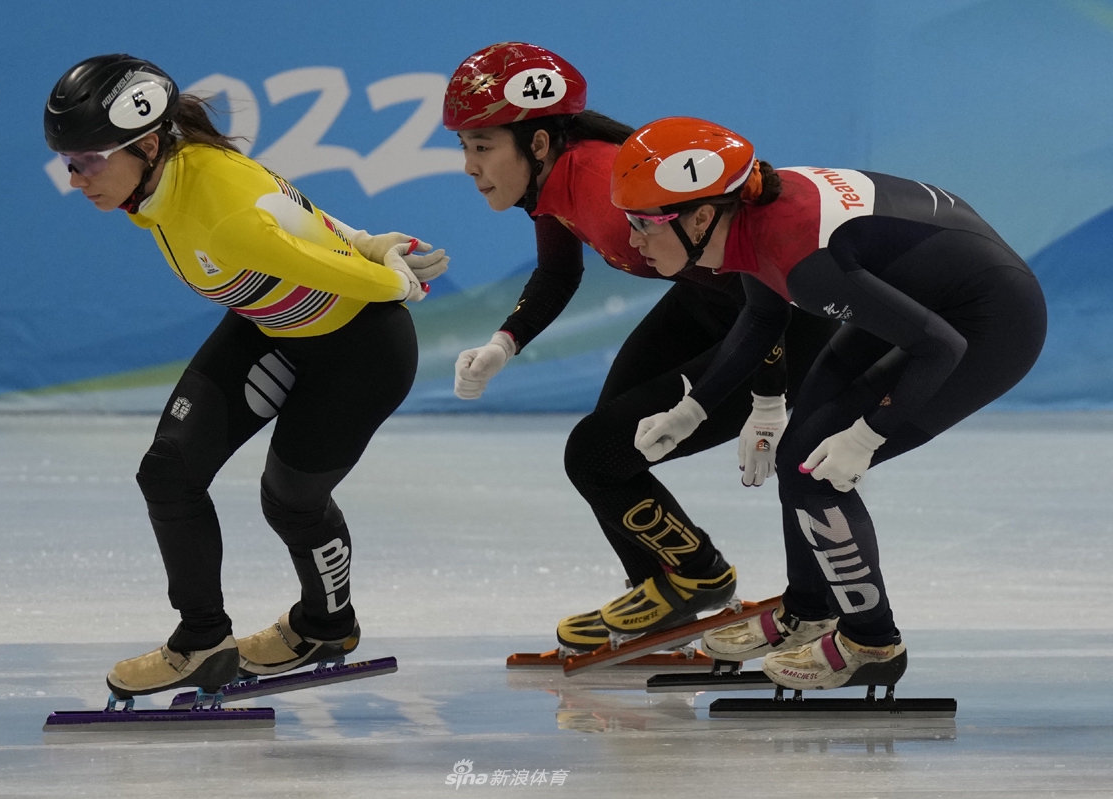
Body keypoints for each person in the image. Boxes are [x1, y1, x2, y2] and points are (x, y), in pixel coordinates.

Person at [43, 54, 447, 700]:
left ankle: (327, 625)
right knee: (168, 473)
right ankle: (203, 640)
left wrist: (388, 274)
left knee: (290, 500)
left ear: (146, 145)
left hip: (360, 352)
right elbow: (297, 215)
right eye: (68, 161)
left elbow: (320, 263)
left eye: (88, 160)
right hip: (272, 326)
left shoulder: (216, 204)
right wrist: (367, 238)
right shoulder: (172, 175)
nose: (74, 178)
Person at [613, 116, 1046, 689]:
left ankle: (873, 642)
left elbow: (940, 347)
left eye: (644, 223)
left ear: (699, 217)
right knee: (801, 453)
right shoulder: (747, 219)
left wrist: (867, 436)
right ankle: (809, 610)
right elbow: (762, 315)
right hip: (922, 295)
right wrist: (692, 410)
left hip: (989, 326)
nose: (633, 240)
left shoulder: (801, 258)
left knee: (816, 473)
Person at [443, 43, 839, 653]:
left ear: (538, 143)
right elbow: (557, 273)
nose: (469, 167)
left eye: (482, 146)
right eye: (465, 147)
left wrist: (768, 397)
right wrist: (504, 343)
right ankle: (660, 589)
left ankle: (698, 576)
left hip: (782, 322)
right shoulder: (554, 178)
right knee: (606, 447)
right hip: (716, 301)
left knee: (596, 453)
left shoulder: (603, 188)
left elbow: (764, 293)